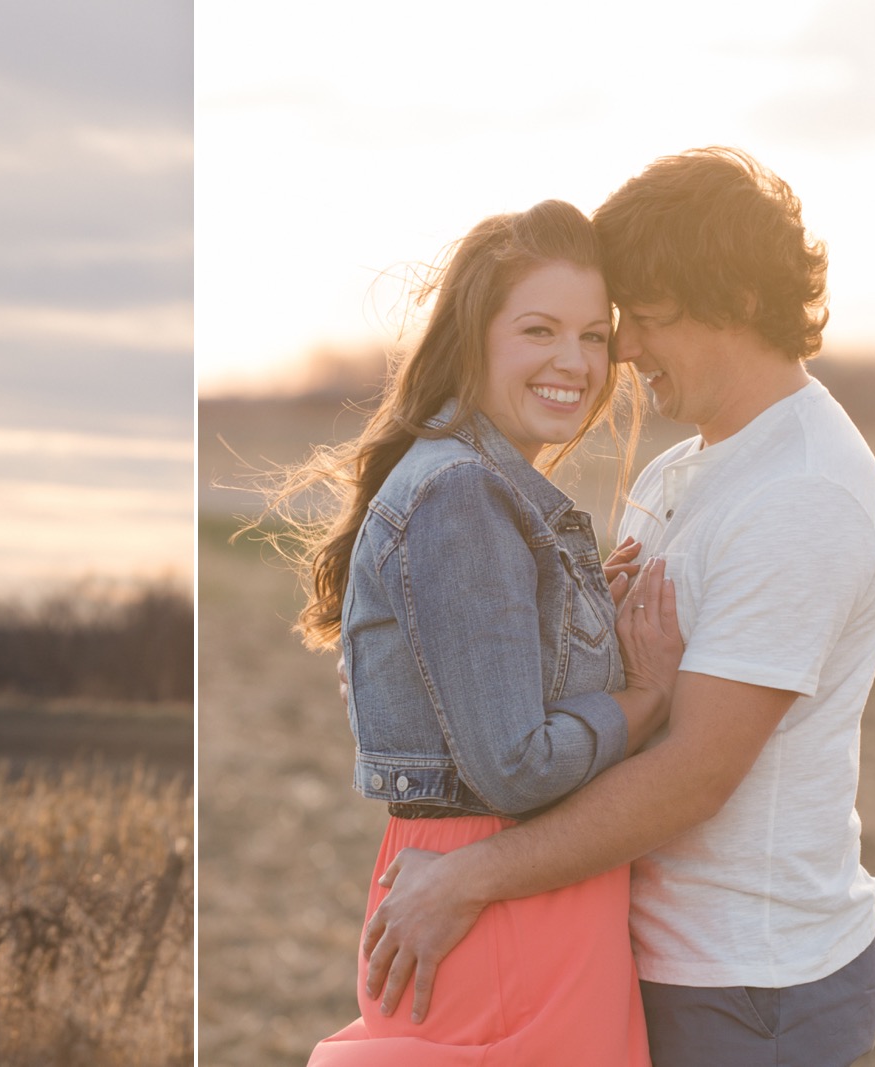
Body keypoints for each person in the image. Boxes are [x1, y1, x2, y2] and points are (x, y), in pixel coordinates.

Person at [362, 147, 875, 1067]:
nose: (627, 350)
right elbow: (596, 680)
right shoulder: (679, 467)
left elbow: (695, 771)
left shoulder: (803, 495)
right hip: (633, 946)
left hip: (743, 984)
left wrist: (466, 879)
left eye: (640, 321)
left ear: (730, 301)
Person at [272, 199, 685, 1064]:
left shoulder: (471, 483)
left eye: (594, 336)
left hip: (499, 879)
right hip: (500, 894)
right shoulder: (464, 493)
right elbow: (516, 764)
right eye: (539, 329)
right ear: (475, 336)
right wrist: (639, 700)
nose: (573, 362)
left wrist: (572, 621)